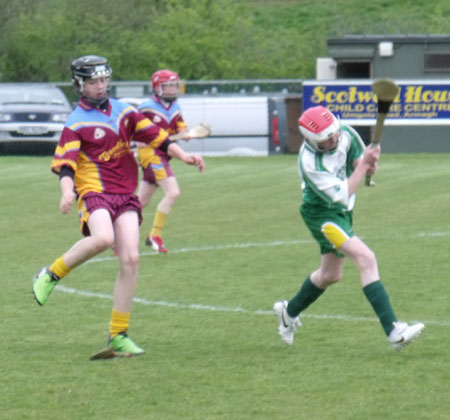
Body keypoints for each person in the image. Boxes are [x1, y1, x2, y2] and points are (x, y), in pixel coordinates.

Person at [32, 55, 205, 358]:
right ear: (79, 85)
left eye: (103, 80)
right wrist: (66, 193)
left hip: (125, 193)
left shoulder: (126, 112)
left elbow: (159, 139)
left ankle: (118, 335)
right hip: (94, 190)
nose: (100, 86)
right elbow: (65, 167)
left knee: (131, 259)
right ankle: (51, 274)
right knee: (102, 238)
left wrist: (185, 156)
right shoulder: (76, 123)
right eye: (92, 82)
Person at [273, 105, 424, 350]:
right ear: (311, 140)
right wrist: (364, 166)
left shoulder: (344, 132)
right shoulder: (310, 162)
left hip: (342, 212)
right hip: (323, 215)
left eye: (334, 133)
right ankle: (394, 331)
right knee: (366, 258)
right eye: (325, 139)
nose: (333, 139)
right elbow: (342, 194)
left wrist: (370, 163)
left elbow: (359, 163)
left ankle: (288, 312)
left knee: (331, 275)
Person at [136, 69, 193, 253]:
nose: (171, 89)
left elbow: (180, 127)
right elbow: (139, 131)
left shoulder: (175, 107)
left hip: (164, 154)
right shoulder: (146, 107)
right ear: (157, 88)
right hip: (151, 154)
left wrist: (186, 134)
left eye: (173, 85)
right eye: (166, 86)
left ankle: (117, 236)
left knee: (140, 202)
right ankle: (155, 235)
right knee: (173, 192)